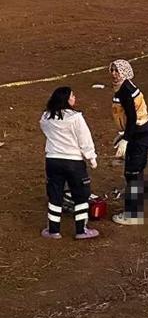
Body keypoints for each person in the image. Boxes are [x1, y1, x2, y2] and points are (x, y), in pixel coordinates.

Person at [39, 86, 99, 239]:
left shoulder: (46, 117)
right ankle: (81, 230)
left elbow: (44, 128)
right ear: (66, 99)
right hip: (73, 162)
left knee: (55, 195)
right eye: (72, 96)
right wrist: (91, 157)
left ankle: (53, 231)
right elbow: (84, 138)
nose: (74, 98)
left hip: (52, 160)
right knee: (80, 195)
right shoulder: (76, 118)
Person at [109, 60, 148, 225]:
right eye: (112, 70)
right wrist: (123, 134)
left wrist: (126, 139)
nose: (114, 74)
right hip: (139, 134)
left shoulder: (125, 91)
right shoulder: (125, 86)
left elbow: (132, 117)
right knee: (136, 173)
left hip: (139, 136)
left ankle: (133, 214)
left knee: (132, 174)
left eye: (117, 71)